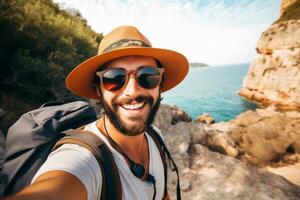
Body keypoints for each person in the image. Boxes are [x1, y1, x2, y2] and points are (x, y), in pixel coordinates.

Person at [5, 25, 189, 200]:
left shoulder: (155, 137)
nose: (132, 91)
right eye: (114, 78)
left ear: (160, 85)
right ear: (98, 91)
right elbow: (50, 191)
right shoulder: (83, 159)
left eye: (148, 76)